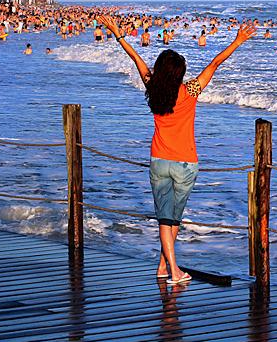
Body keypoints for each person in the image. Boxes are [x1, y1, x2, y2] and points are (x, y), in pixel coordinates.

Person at [98, 15, 256, 285]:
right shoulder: (190, 90)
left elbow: (135, 58)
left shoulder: (153, 87)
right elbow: (214, 63)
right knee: (171, 219)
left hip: (159, 160)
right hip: (185, 162)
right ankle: (174, 271)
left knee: (167, 217)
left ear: (160, 71)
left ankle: (163, 266)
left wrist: (118, 33)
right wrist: (238, 40)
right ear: (180, 74)